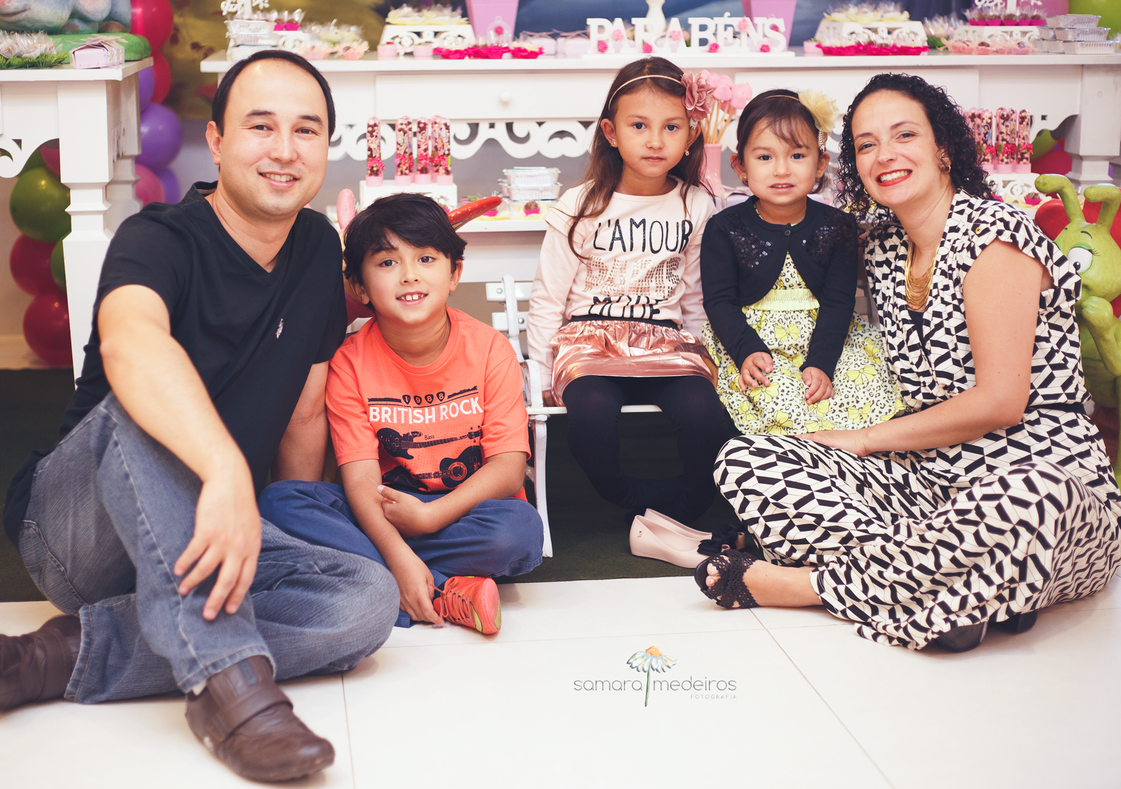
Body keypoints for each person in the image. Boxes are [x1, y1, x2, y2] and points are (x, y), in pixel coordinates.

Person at [0, 50, 399, 781]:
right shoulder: (156, 237)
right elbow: (132, 344)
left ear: (326, 148)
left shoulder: (316, 248)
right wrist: (226, 466)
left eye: (306, 130)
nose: (284, 150)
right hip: (82, 534)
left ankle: (70, 654)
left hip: (203, 532)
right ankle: (229, 689)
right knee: (139, 409)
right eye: (261, 126)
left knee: (365, 601)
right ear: (218, 141)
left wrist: (274, 518)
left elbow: (304, 410)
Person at [700, 72, 1121, 653]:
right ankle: (961, 588)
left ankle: (802, 586)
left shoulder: (995, 237)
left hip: (1035, 480)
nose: (885, 155)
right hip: (925, 483)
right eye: (867, 144)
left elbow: (1001, 403)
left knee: (1032, 500)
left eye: (904, 135)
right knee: (748, 461)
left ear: (943, 148)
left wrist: (865, 438)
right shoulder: (877, 246)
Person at [259, 194, 544, 636]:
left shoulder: (491, 349)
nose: (409, 275)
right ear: (358, 287)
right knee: (281, 503)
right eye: (387, 263)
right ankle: (439, 589)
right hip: (382, 510)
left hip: (464, 512)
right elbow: (359, 480)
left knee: (521, 530)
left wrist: (431, 517)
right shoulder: (349, 361)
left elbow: (508, 469)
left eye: (426, 258)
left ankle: (378, 582)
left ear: (455, 273)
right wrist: (398, 552)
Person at [526, 56, 742, 541]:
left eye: (671, 126)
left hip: (665, 343)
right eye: (638, 125)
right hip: (589, 342)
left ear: (691, 134)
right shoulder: (579, 205)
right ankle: (628, 498)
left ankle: (688, 504)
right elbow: (547, 298)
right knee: (592, 415)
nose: (654, 140)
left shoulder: (696, 203)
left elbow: (695, 297)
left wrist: (710, 360)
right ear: (610, 131)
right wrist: (540, 370)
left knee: (706, 415)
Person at [701, 88, 902, 436]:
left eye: (796, 155)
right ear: (741, 166)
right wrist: (746, 350)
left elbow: (839, 301)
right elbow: (720, 301)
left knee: (859, 382)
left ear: (820, 163)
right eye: (764, 157)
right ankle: (790, 467)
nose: (781, 170)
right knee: (774, 392)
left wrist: (822, 363)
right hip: (754, 341)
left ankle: (848, 463)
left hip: (825, 337)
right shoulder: (724, 227)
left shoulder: (836, 226)